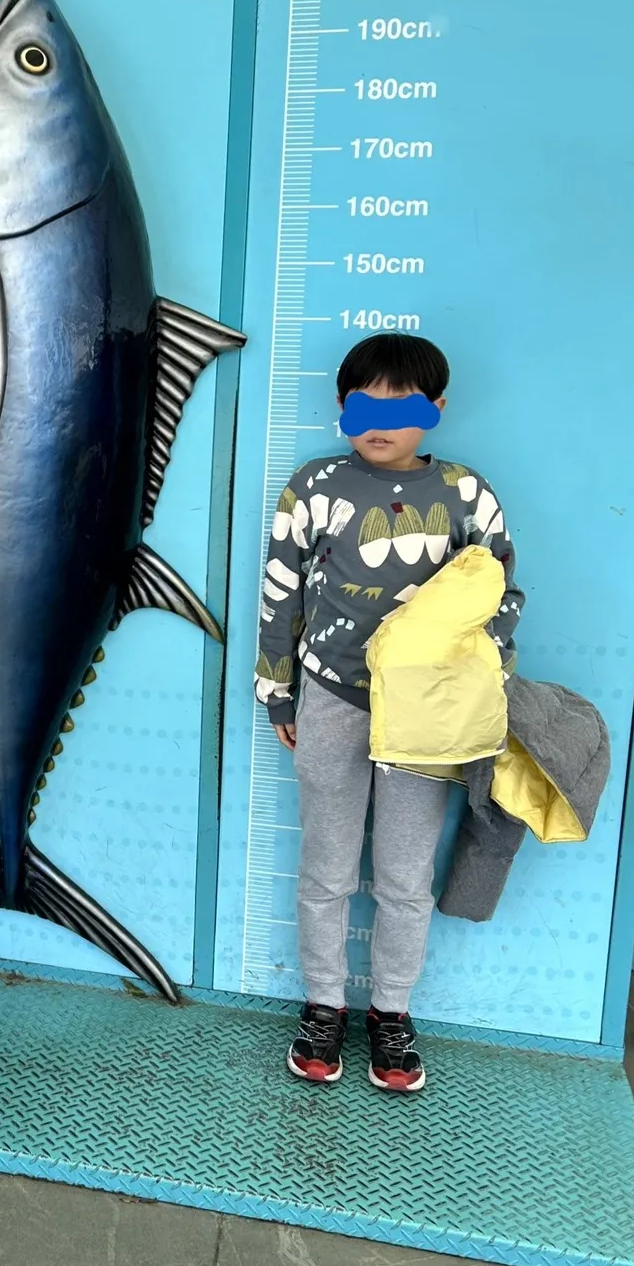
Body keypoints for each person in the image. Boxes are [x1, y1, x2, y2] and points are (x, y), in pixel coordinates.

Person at [255, 333, 523, 1093]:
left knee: (405, 875)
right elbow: (282, 595)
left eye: (401, 404)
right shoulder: (312, 487)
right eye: (364, 402)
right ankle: (323, 1005)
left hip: (427, 719)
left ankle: (393, 1013)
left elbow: (499, 597)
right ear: (342, 407)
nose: (382, 419)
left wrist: (483, 686)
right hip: (330, 700)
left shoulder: (467, 493)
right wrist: (278, 689)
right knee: (327, 867)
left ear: (434, 410)